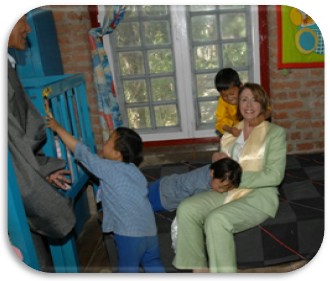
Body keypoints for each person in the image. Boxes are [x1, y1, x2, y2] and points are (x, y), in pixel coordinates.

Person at [172, 82, 287, 273]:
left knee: (217, 220)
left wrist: (234, 178)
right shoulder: (232, 133)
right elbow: (225, 165)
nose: (249, 105)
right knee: (186, 209)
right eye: (244, 99)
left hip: (258, 196)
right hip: (229, 190)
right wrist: (216, 162)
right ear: (238, 104)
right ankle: (199, 271)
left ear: (263, 104)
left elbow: (274, 176)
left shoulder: (275, 133)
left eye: (254, 100)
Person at [46, 116, 165, 273]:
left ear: (117, 154)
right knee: (153, 264)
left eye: (109, 140)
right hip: (150, 231)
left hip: (129, 234)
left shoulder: (107, 168)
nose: (105, 142)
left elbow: (82, 153)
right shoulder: (135, 171)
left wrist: (58, 128)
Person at [8, 15, 75, 271]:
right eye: (21, 19)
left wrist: (44, 168)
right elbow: (14, 150)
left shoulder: (9, 67)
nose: (27, 27)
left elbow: (17, 139)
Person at [170, 157, 244, 252]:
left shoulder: (219, 173)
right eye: (220, 187)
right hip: (165, 194)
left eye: (227, 189)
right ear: (212, 173)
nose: (222, 191)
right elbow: (191, 206)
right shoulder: (197, 185)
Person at [214, 68, 272, 138]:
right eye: (224, 95)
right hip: (235, 129)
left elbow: (268, 109)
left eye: (232, 94)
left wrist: (260, 118)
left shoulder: (250, 93)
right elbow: (220, 121)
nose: (229, 98)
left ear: (240, 87)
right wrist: (231, 130)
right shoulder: (222, 101)